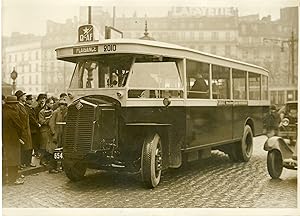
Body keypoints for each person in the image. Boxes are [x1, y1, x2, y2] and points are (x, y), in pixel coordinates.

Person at [2, 96, 24, 185]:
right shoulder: (13, 113)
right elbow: (19, 127)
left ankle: (4, 180)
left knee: (5, 159)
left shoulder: (3, 112)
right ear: (13, 104)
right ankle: (13, 180)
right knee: (14, 160)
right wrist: (19, 136)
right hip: (13, 140)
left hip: (4, 140)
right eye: (16, 104)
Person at [15, 90, 34, 168]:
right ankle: (22, 163)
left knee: (28, 146)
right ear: (20, 98)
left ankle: (26, 162)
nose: (25, 97)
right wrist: (22, 129)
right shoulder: (18, 106)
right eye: (23, 95)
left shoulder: (22, 105)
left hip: (26, 130)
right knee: (23, 147)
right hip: (23, 130)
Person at [48, 99, 68, 173]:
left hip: (61, 135)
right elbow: (51, 123)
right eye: (62, 104)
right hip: (56, 135)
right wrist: (53, 133)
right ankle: (52, 168)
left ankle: (59, 167)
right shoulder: (56, 112)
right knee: (54, 151)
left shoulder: (64, 113)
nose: (63, 106)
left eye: (64, 105)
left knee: (60, 151)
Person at [38, 98, 54, 167]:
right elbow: (41, 122)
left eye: (53, 103)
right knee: (43, 146)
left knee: (49, 147)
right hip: (44, 131)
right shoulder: (42, 112)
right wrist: (49, 119)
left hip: (50, 130)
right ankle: (42, 160)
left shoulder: (52, 111)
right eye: (50, 103)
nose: (52, 104)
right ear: (47, 103)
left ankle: (47, 160)